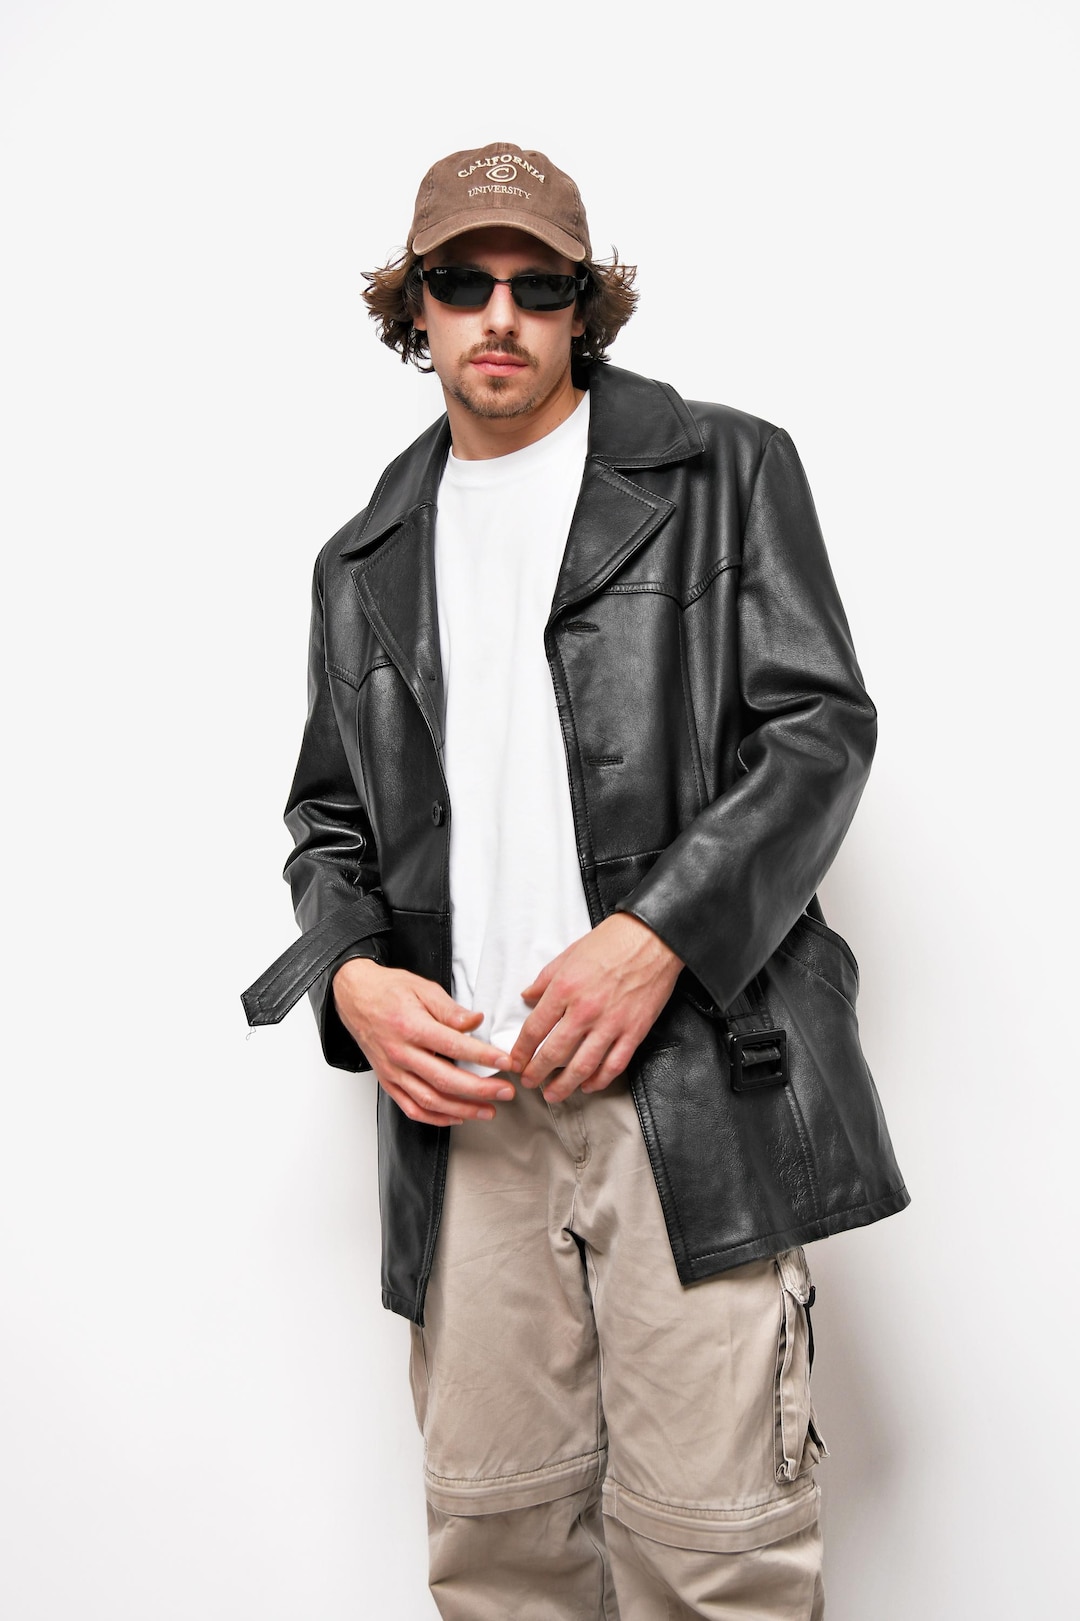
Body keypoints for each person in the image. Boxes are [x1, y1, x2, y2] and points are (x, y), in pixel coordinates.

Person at [245, 143, 908, 1619]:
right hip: (464, 1116)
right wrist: (354, 980)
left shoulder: (725, 470)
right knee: (499, 1562)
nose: (500, 313)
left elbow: (819, 732)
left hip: (689, 1093)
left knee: (718, 1555)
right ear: (413, 307)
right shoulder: (363, 558)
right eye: (461, 282)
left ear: (582, 307)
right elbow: (327, 821)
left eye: (538, 285)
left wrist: (656, 936)